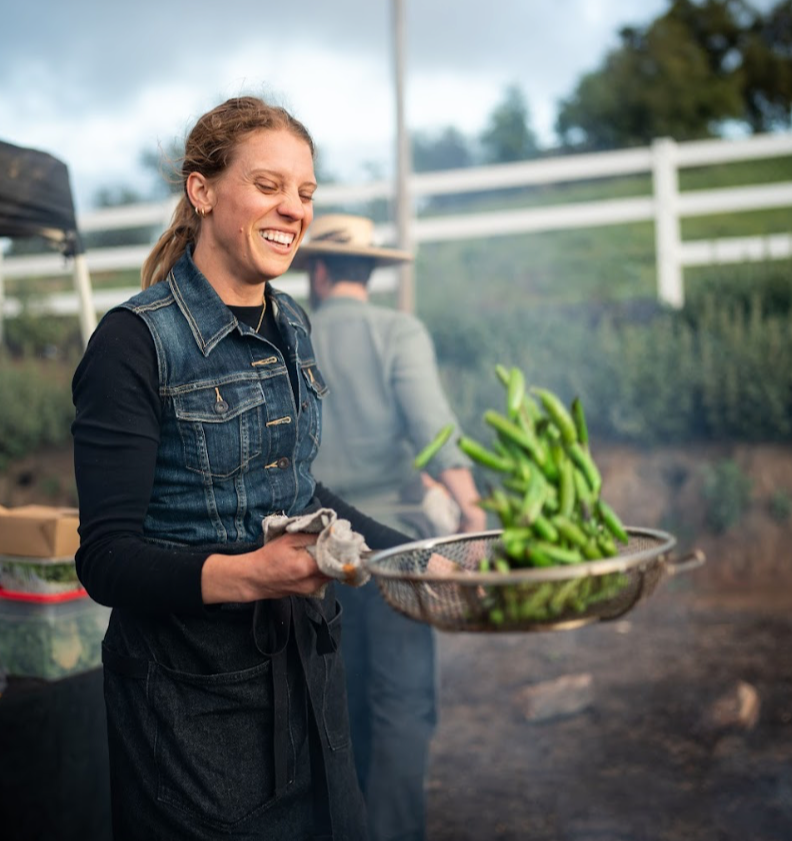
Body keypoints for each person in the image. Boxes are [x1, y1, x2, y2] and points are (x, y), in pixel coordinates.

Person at [71, 97, 413, 841]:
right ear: (202, 192)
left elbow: (294, 487)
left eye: (306, 193)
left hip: (309, 680)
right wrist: (255, 573)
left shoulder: (292, 321)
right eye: (268, 185)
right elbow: (106, 560)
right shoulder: (133, 345)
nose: (293, 208)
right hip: (189, 711)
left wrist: (414, 555)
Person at [293, 214, 486, 841]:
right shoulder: (398, 331)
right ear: (367, 273)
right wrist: (472, 511)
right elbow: (435, 433)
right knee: (402, 705)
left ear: (318, 272)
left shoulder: (289, 334)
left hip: (315, 554)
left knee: (336, 710)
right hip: (398, 553)